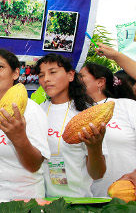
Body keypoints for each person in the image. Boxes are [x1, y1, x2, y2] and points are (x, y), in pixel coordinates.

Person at [0, 49, 50, 200]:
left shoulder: (31, 111)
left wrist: (19, 138)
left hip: (25, 199)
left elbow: (34, 165)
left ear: (15, 73)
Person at [34, 53, 106, 197]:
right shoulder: (38, 110)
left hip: (76, 202)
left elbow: (98, 174)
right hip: (41, 200)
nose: (46, 79)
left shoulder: (87, 113)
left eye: (53, 72)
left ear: (71, 75)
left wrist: (95, 147)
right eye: (41, 75)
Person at [79, 62, 136, 197]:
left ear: (100, 82)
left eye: (81, 76)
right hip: (90, 198)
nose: (76, 80)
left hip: (128, 192)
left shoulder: (126, 106)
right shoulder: (75, 111)